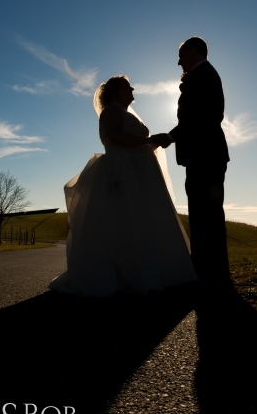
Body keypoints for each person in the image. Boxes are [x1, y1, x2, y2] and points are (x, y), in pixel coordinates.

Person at [49, 76, 197, 297]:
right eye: (128, 86)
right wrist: (147, 141)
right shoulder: (111, 111)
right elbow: (116, 138)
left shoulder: (125, 113)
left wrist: (152, 142)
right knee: (127, 220)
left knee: (145, 219)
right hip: (122, 171)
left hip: (138, 172)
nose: (133, 88)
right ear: (116, 93)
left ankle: (156, 271)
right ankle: (129, 273)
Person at [152, 37, 231, 290]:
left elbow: (202, 117)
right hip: (203, 155)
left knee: (206, 213)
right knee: (202, 212)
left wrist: (171, 136)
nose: (179, 62)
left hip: (206, 154)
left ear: (194, 51)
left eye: (181, 55)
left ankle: (210, 272)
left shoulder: (205, 75)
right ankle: (207, 269)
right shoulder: (201, 75)